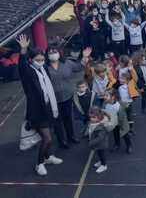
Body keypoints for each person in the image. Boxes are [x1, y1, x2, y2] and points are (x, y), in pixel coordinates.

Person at [17, 34, 63, 176]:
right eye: (38, 60)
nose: (41, 62)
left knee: (49, 137)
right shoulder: (28, 73)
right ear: (31, 60)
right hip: (37, 111)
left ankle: (48, 157)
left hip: (48, 107)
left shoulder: (44, 70)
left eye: (43, 59)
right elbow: (21, 65)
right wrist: (23, 51)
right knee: (47, 139)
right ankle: (39, 164)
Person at [46, 45, 91, 148]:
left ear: (59, 52)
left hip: (67, 95)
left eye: (54, 51)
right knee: (57, 120)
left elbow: (79, 67)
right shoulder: (45, 67)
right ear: (47, 55)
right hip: (53, 98)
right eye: (50, 52)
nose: (53, 54)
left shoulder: (66, 63)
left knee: (68, 118)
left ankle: (71, 137)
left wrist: (84, 57)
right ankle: (62, 141)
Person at [88, 107, 110, 173]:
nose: (91, 119)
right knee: (99, 153)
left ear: (99, 117)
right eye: (90, 117)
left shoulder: (101, 127)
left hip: (101, 144)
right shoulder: (94, 123)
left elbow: (100, 138)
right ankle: (101, 161)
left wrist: (91, 142)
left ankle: (104, 165)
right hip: (97, 144)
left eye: (93, 117)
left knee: (102, 154)